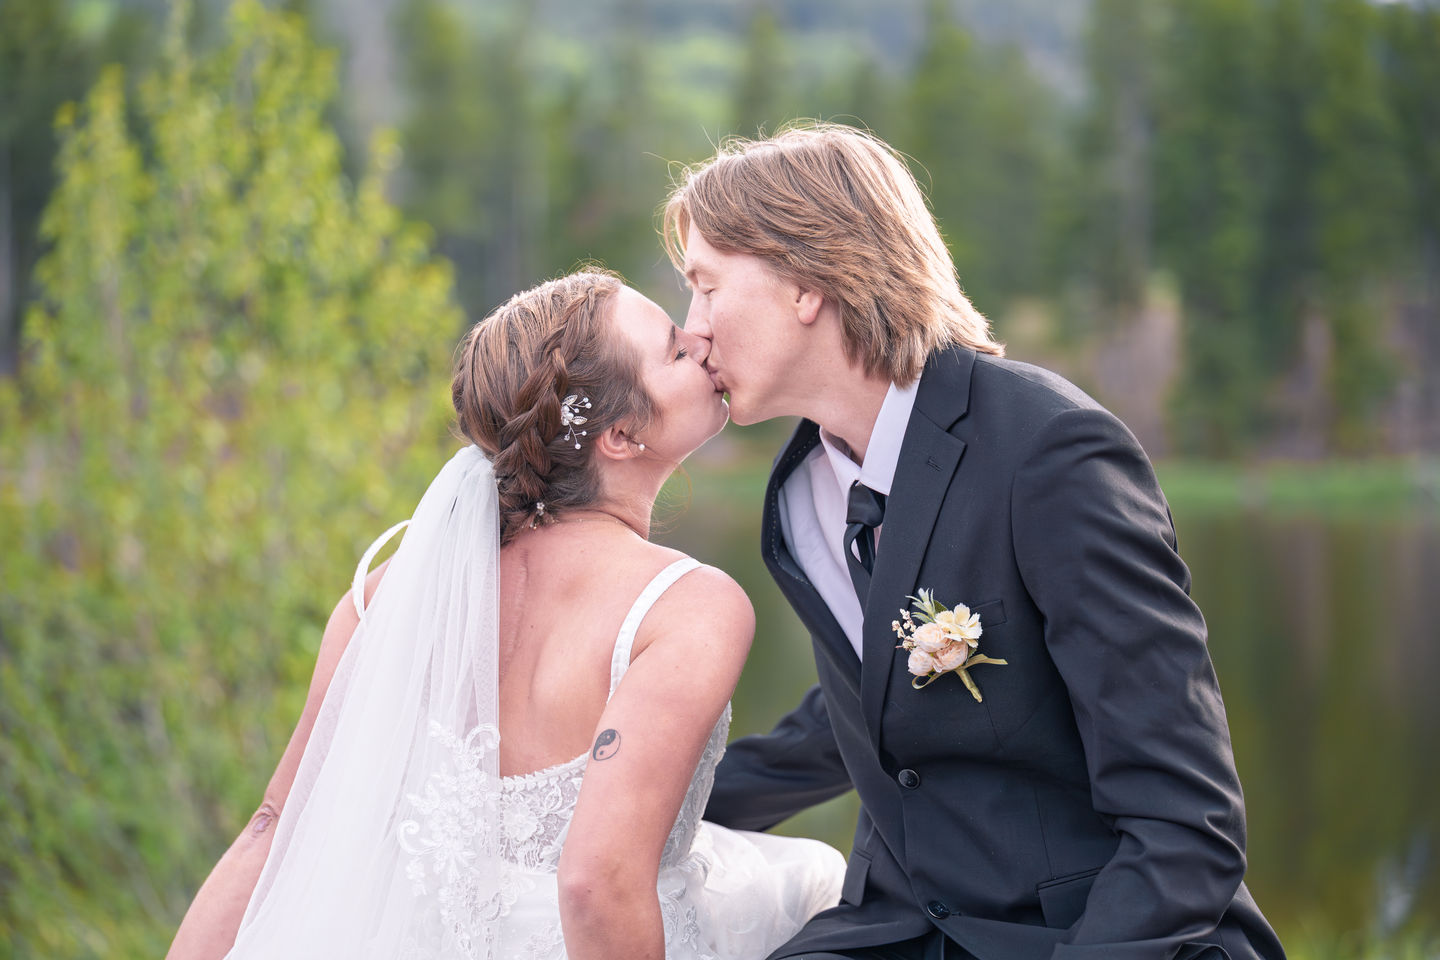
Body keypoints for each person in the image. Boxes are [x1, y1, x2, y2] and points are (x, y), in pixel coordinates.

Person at [663, 123, 1287, 960]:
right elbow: (858, 713)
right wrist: (642, 806)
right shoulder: (804, 486)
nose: (691, 328)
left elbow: (1188, 823)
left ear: (803, 281)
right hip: (901, 925)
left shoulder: (1048, 451)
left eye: (705, 288)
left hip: (1095, 933)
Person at [165, 268, 845, 960]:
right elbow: (595, 886)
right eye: (674, 351)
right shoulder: (685, 607)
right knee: (820, 891)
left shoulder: (382, 601)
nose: (701, 344)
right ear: (618, 433)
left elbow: (273, 825)